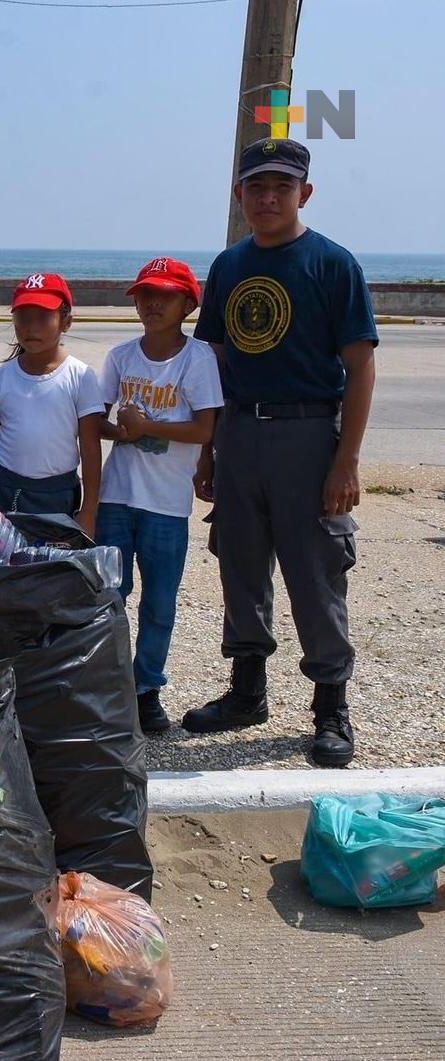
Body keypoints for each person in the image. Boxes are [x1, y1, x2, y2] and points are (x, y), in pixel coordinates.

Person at [186, 138, 377, 767]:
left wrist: (346, 460)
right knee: (239, 567)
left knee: (315, 571)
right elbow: (212, 360)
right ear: (239, 195)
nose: (268, 198)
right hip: (240, 431)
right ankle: (248, 693)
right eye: (256, 187)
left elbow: (360, 365)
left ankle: (331, 707)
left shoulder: (332, 264)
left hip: (308, 433)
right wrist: (209, 451)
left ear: (305, 193)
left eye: (282, 187)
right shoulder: (228, 266)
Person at [97, 258, 223, 734]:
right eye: (144, 295)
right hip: (116, 495)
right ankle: (108, 683)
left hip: (167, 503)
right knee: (111, 594)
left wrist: (146, 426)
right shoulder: (122, 356)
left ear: (188, 304)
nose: (152, 304)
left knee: (160, 602)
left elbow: (204, 427)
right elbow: (99, 418)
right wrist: (119, 432)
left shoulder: (197, 360)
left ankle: (146, 686)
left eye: (164, 296)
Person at [0, 273, 102, 536]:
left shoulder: (80, 376)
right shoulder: (1, 376)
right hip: (1, 490)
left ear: (66, 322)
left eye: (43, 317)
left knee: (48, 571)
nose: (31, 327)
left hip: (57, 496)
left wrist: (89, 511)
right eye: (23, 318)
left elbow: (91, 447)